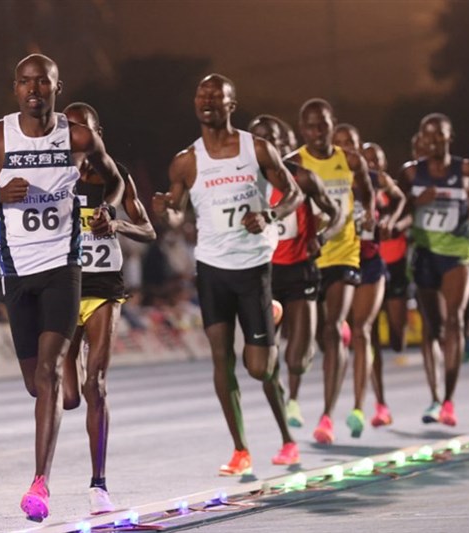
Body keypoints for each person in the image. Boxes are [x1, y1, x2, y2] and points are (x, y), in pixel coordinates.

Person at [0, 54, 124, 522]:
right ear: (15, 89)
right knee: (36, 383)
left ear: (56, 87)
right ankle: (48, 447)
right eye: (26, 82)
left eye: (42, 82)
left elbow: (114, 179)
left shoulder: (79, 137)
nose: (34, 89)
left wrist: (107, 209)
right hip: (16, 274)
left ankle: (39, 484)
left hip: (62, 269)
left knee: (47, 374)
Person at [152, 74, 302, 475]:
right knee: (221, 358)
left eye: (217, 98)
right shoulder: (186, 160)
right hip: (212, 268)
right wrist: (165, 209)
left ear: (231, 105)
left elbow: (293, 193)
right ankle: (241, 449)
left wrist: (268, 214)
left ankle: (287, 436)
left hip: (253, 267)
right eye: (202, 97)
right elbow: (177, 212)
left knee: (260, 369)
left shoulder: (257, 149)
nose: (208, 103)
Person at [60, 102, 156, 514]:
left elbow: (149, 231)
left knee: (95, 385)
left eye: (84, 127)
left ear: (98, 133)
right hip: (62, 286)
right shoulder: (52, 175)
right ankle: (70, 369)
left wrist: (116, 224)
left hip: (103, 285)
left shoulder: (116, 176)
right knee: (68, 397)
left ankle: (99, 484)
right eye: (69, 127)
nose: (76, 133)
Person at [248, 114, 343, 429]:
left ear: (287, 146)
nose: (265, 145)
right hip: (265, 274)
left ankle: (303, 359)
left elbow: (335, 212)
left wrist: (322, 237)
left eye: (272, 139)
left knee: (297, 359)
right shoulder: (243, 183)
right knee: (265, 356)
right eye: (257, 139)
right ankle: (284, 407)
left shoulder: (302, 178)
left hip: (300, 271)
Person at [289, 99, 374, 444]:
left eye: (322, 125)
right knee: (305, 334)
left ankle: (326, 416)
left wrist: (365, 214)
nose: (317, 132)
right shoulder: (293, 163)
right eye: (310, 126)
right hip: (306, 258)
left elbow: (367, 195)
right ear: (302, 129)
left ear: (331, 124)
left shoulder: (350, 160)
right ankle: (292, 400)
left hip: (343, 253)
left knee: (334, 327)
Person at [400, 113, 469, 426]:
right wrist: (415, 203)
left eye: (439, 135)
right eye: (427, 136)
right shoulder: (411, 173)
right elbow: (400, 206)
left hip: (456, 255)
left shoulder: (465, 169)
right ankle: (434, 397)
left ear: (450, 137)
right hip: (425, 255)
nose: (433, 141)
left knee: (451, 321)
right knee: (431, 328)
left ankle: (446, 400)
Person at [333, 124, 405, 435]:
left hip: (371, 261)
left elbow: (400, 198)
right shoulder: (328, 179)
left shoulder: (374, 178)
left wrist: (390, 219)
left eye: (352, 141)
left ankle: (364, 407)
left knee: (367, 333)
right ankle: (379, 404)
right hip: (338, 262)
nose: (348, 146)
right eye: (341, 142)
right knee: (359, 335)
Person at [362, 141, 411, 427]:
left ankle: (397, 335)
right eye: (366, 159)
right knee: (370, 337)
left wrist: (394, 223)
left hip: (396, 263)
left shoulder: (387, 186)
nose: (371, 164)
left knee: (397, 340)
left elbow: (407, 213)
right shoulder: (355, 184)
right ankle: (381, 404)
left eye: (376, 159)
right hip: (371, 265)